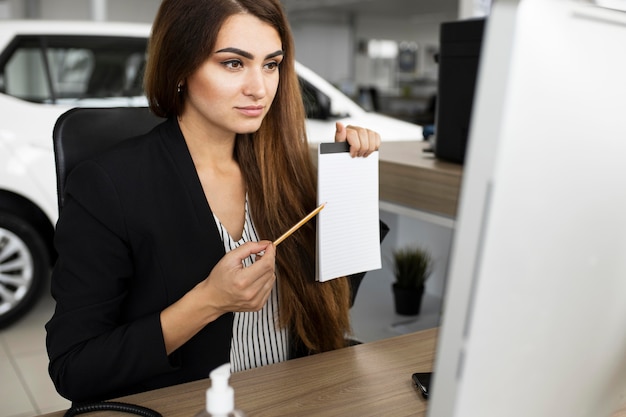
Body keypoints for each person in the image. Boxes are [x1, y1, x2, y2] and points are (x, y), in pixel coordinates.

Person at [46, 0, 382, 404]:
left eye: (271, 65)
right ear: (180, 68)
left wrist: (350, 185)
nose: (259, 88)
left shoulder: (284, 173)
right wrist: (209, 301)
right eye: (233, 63)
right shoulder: (107, 185)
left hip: (294, 399)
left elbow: (328, 308)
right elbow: (74, 368)